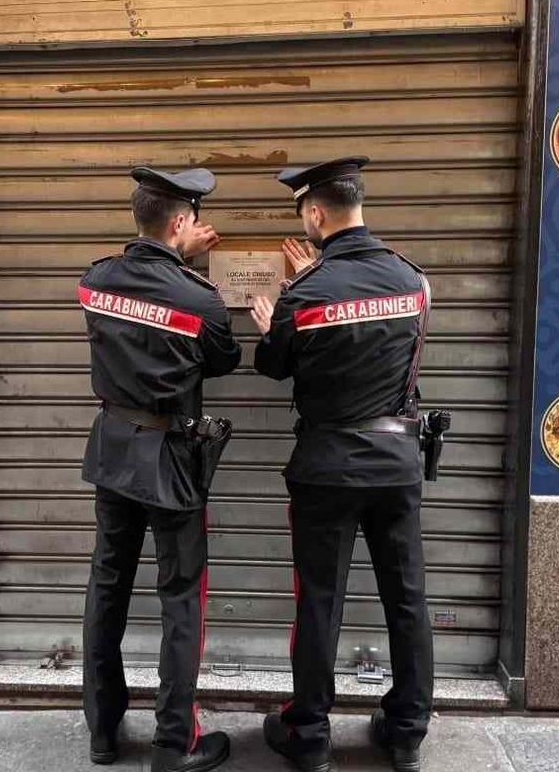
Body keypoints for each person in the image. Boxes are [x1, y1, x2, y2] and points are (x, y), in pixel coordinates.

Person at [250, 157, 434, 772]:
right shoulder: (413, 281)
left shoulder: (303, 294)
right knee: (407, 598)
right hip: (396, 464)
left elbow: (273, 365)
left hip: (326, 469)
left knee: (319, 601)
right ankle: (406, 733)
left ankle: (308, 736)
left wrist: (273, 319)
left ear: (315, 213)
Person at [79, 166, 242, 772]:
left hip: (113, 449)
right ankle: (174, 743)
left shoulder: (95, 280)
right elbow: (223, 359)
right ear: (180, 223)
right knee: (181, 597)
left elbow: (131, 315)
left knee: (107, 586)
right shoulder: (199, 299)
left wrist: (174, 258)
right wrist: (186, 270)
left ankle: (102, 730)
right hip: (172, 458)